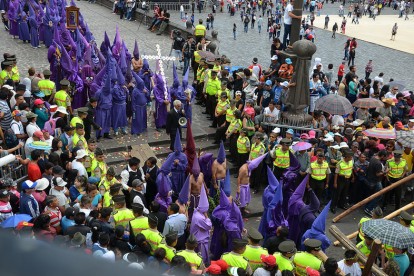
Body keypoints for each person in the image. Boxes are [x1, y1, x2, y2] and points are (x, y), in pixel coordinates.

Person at [364, 150, 388, 216]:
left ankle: (367, 206)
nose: (385, 158)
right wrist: (385, 171)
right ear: (382, 156)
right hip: (376, 181)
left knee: (371, 194)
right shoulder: (378, 163)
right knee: (379, 195)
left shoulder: (373, 158)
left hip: (370, 179)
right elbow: (377, 174)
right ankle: (369, 208)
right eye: (385, 157)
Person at [331, 149, 354, 214]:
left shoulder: (351, 161)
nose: (351, 158)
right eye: (350, 157)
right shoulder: (340, 163)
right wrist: (335, 183)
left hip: (348, 179)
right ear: (346, 157)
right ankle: (333, 206)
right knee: (337, 193)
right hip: (341, 180)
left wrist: (353, 177)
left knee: (345, 192)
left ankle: (341, 204)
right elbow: (336, 174)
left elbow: (351, 169)